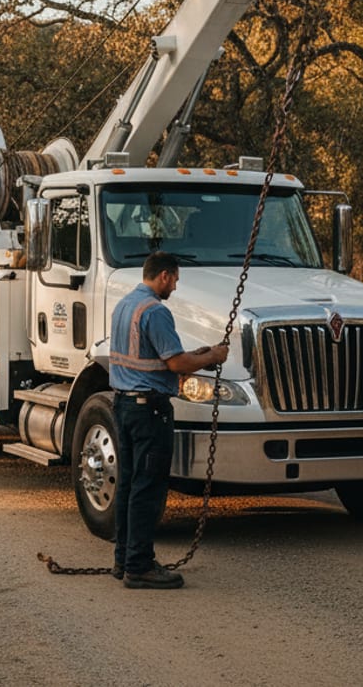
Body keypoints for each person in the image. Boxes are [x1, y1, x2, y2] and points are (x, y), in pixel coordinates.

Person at [109, 251, 228, 589]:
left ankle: (124, 558)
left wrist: (200, 355)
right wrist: (213, 358)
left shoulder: (125, 306)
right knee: (148, 488)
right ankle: (140, 566)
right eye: (175, 279)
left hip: (125, 405)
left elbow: (156, 356)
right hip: (150, 411)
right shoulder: (156, 312)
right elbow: (175, 364)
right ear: (163, 275)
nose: (175, 286)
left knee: (129, 485)